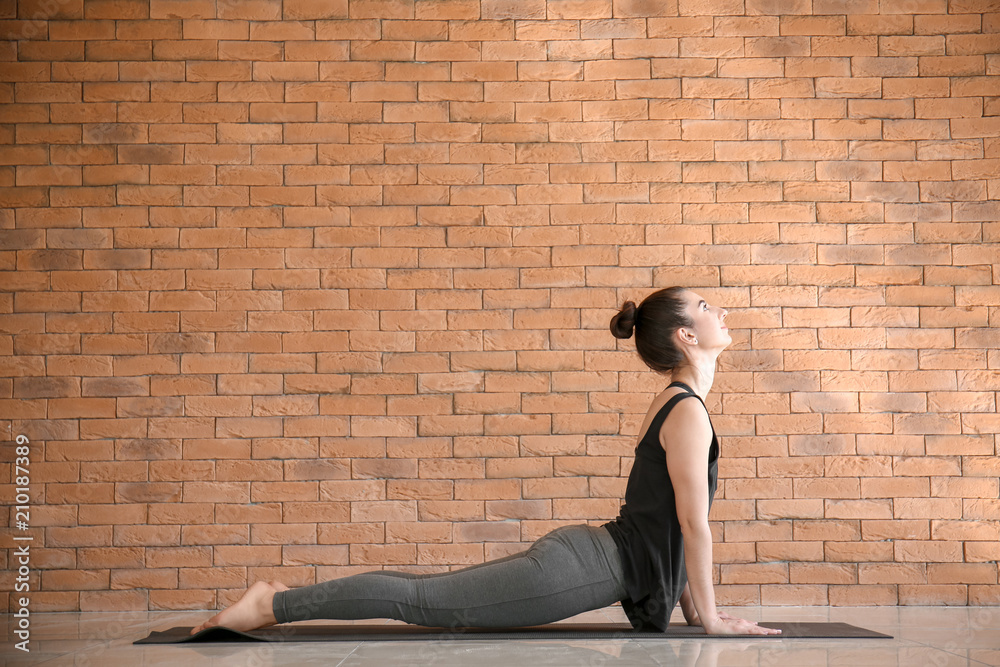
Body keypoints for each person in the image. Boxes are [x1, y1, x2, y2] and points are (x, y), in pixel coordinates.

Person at [190, 287, 779, 636]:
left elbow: (670, 528)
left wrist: (703, 610)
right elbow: (691, 526)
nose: (720, 311)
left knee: (422, 594)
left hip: (590, 556)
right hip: (584, 567)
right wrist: (710, 619)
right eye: (706, 306)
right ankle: (272, 604)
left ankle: (278, 596)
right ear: (685, 335)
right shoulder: (687, 412)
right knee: (421, 602)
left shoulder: (683, 404)